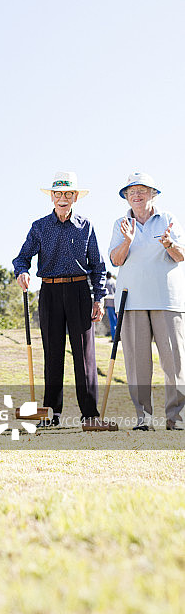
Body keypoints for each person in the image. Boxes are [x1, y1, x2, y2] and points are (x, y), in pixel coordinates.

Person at [13, 171, 112, 428]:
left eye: (68, 194)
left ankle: (90, 414)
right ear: (52, 198)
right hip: (50, 292)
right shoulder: (40, 227)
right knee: (53, 354)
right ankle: (51, 414)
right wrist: (22, 271)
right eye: (58, 194)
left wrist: (98, 298)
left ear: (75, 197)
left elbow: (98, 266)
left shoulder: (86, 226)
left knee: (84, 356)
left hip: (80, 292)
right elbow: (22, 257)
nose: (63, 198)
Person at [109, 172, 185, 430]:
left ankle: (176, 419)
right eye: (132, 192)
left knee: (175, 362)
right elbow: (116, 260)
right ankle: (145, 418)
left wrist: (169, 244)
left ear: (154, 193)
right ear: (126, 198)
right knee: (137, 366)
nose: (137, 195)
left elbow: (181, 255)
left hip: (167, 300)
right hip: (132, 301)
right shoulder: (121, 223)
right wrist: (128, 241)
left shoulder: (168, 219)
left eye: (143, 190)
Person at [104, 271, 117, 340]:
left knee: (112, 321)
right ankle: (120, 336)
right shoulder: (115, 281)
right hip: (116, 303)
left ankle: (114, 337)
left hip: (109, 303)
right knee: (118, 321)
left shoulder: (106, 282)